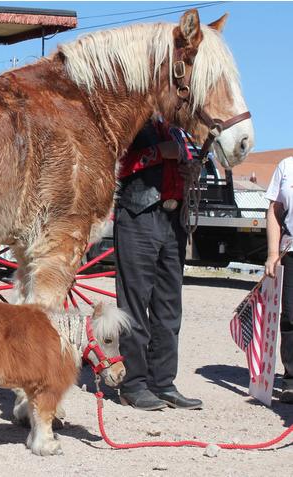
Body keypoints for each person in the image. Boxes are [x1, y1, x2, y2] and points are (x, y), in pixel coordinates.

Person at [114, 117, 203, 411]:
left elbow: (181, 162)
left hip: (172, 220)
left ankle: (163, 383)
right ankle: (133, 384)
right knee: (135, 304)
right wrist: (158, 154)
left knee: (169, 307)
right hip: (138, 215)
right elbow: (115, 166)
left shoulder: (177, 131)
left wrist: (189, 169)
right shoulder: (133, 123)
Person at [264, 156, 293, 404]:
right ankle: (291, 380)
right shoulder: (286, 166)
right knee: (291, 316)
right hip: (291, 250)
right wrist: (273, 254)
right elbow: (274, 210)